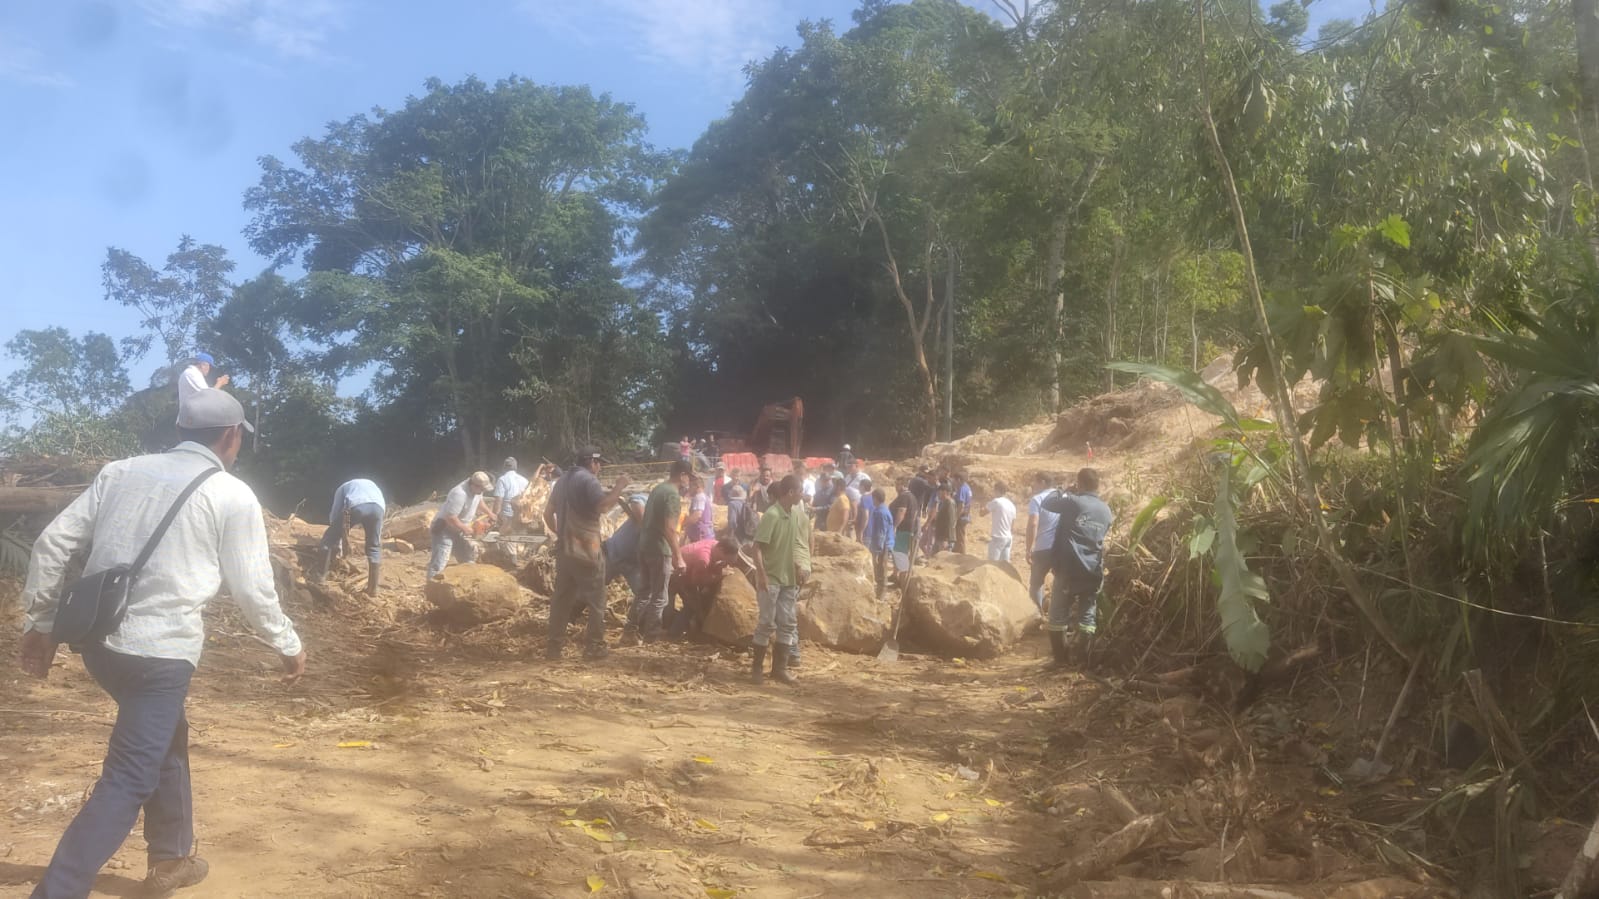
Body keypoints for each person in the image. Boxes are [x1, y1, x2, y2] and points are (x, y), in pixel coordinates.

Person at [18, 388, 304, 899]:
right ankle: (57, 891)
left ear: (180, 432)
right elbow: (253, 587)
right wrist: (286, 641)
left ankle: (171, 858)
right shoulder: (232, 494)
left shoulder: (120, 472)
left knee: (165, 736)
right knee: (129, 777)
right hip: (160, 658)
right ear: (232, 436)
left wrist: (39, 623)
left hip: (100, 647)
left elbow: (51, 543)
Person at [543, 447, 629, 660]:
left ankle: (554, 648)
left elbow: (547, 513)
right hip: (587, 550)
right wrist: (619, 487)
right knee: (597, 600)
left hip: (565, 550)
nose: (599, 468)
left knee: (562, 599)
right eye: (599, 463)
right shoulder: (588, 480)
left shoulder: (562, 481)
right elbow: (603, 506)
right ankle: (594, 647)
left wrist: (561, 534)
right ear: (591, 462)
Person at [1041, 469, 1114, 666]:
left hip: (1069, 568)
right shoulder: (1106, 510)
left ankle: (1060, 661)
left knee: (1057, 614)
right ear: (1097, 485)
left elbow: (1047, 503)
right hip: (1093, 570)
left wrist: (1063, 489)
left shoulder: (1073, 501)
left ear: (1080, 483)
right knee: (1087, 616)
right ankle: (1083, 662)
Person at [626, 460, 692, 644]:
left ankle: (629, 632)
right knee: (660, 597)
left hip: (645, 546)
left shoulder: (658, 489)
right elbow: (670, 529)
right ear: (682, 475)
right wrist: (678, 557)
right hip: (660, 549)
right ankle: (651, 637)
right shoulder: (672, 495)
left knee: (644, 593)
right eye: (689, 477)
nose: (689, 481)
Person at [751, 475, 809, 685]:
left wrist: (798, 566)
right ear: (791, 492)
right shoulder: (772, 515)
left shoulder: (793, 515)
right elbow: (756, 548)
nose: (803, 494)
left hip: (788, 579)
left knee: (788, 623)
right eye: (800, 490)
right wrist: (762, 575)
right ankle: (756, 669)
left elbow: (792, 545)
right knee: (766, 622)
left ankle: (779, 669)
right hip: (772, 578)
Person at [317, 477, 385, 596]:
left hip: (356, 506)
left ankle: (320, 578)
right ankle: (373, 589)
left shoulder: (341, 489)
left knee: (328, 539)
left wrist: (337, 542)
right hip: (378, 508)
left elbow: (335, 515)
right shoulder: (370, 485)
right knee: (374, 547)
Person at [665, 535, 741, 638]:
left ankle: (671, 627)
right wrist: (719, 575)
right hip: (677, 574)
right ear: (721, 550)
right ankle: (673, 634)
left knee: (684, 603)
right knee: (691, 605)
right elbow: (696, 581)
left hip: (686, 571)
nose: (724, 562)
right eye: (724, 559)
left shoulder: (714, 544)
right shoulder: (703, 558)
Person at [428, 471, 493, 577]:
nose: (482, 491)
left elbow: (479, 501)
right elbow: (450, 518)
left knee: (467, 559)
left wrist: (490, 513)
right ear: (474, 485)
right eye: (481, 489)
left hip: (458, 529)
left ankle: (468, 584)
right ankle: (431, 586)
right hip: (444, 529)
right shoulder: (459, 494)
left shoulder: (477, 490)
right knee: (439, 562)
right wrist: (465, 528)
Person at [604, 493, 650, 617]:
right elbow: (635, 499)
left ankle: (634, 625)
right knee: (592, 588)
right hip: (613, 553)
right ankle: (570, 617)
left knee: (644, 594)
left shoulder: (668, 525)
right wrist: (643, 525)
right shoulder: (650, 505)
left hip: (633, 564)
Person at [1025, 473, 1063, 614]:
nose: (1033, 485)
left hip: (1043, 548)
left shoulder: (1037, 499)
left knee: (1036, 584)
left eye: (1034, 482)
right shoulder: (1063, 496)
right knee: (1061, 582)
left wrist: (1029, 549)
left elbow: (1033, 523)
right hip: (1061, 548)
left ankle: (1037, 615)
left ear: (1042, 482)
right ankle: (1057, 616)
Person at [889, 476, 922, 587]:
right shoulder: (912, 497)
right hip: (909, 529)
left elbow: (901, 512)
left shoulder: (904, 497)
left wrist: (894, 526)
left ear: (903, 485)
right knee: (900, 553)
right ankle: (895, 575)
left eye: (897, 485)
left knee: (900, 554)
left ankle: (901, 582)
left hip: (903, 529)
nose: (895, 487)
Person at [863, 486, 894, 596]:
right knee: (881, 569)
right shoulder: (882, 509)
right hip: (883, 544)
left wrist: (877, 551)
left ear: (875, 498)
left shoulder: (881, 513)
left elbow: (881, 533)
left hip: (882, 546)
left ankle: (881, 595)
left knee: (881, 570)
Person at [494, 456, 531, 534]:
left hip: (507, 516)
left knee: (506, 541)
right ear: (516, 467)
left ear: (504, 467)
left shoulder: (502, 479)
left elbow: (498, 500)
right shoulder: (525, 480)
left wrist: (495, 516)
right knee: (521, 541)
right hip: (522, 516)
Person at [984, 481, 1017, 562]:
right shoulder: (1011, 504)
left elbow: (982, 513)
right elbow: (1012, 525)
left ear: (996, 490)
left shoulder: (996, 501)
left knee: (992, 565)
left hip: (998, 537)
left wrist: (984, 503)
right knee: (1004, 566)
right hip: (1008, 538)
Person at [683, 476, 715, 544]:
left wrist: (682, 524)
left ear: (696, 486)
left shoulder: (699, 497)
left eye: (690, 486)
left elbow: (697, 515)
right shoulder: (704, 497)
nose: (689, 489)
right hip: (704, 536)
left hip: (701, 538)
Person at [931, 482, 957, 556]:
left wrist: (946, 539)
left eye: (939, 493)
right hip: (940, 536)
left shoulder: (950, 503)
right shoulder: (944, 503)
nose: (938, 495)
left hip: (945, 538)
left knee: (942, 560)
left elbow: (951, 522)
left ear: (945, 492)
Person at [952, 472, 973, 555]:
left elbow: (961, 505)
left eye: (954, 480)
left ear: (959, 480)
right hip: (965, 516)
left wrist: (955, 518)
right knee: (960, 538)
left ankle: (962, 557)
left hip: (961, 517)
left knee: (960, 539)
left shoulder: (962, 489)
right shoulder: (967, 487)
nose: (953, 481)